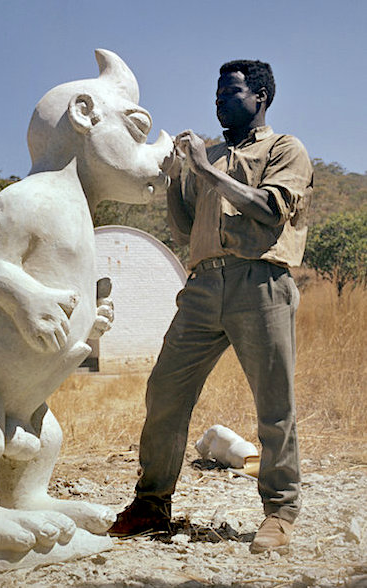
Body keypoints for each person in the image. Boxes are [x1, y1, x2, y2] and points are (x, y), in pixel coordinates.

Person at [108, 60, 313, 553]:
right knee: (165, 392)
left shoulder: (284, 149)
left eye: (231, 91)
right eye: (217, 91)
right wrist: (179, 177)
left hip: (260, 281)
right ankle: (151, 504)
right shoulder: (211, 153)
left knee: (274, 406)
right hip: (203, 285)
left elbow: (268, 210)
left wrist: (204, 169)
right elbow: (183, 230)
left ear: (260, 97)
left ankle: (280, 512)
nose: (219, 99)